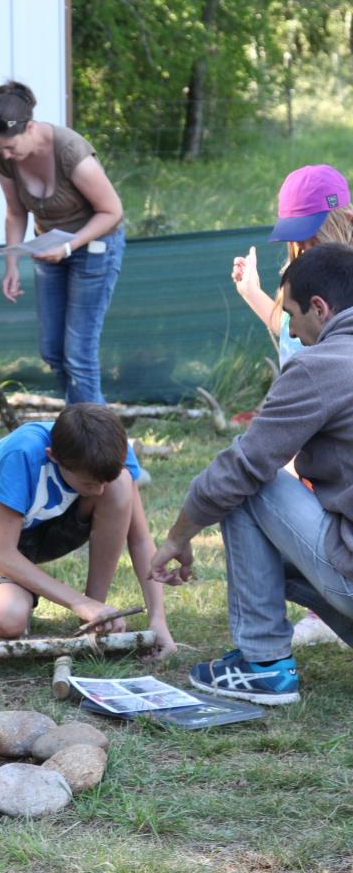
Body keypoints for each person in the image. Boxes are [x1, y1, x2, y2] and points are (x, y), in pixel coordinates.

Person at [151, 244, 353, 704]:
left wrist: (179, 536)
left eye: (294, 318)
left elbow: (242, 466)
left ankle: (264, 665)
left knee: (249, 484)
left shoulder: (322, 365)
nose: (295, 335)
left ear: (320, 308)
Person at [0, 402, 176, 656]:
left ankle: (94, 617)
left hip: (47, 528)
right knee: (9, 619)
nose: (99, 492)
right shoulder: (22, 455)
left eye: (102, 483)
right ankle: (86, 607)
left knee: (120, 484)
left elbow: (140, 539)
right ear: (53, 455)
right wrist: (79, 603)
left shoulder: (113, 449)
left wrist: (158, 621)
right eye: (89, 484)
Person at [232, 164, 352, 647]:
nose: (302, 246)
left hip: (322, 432)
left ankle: (263, 657)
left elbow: (320, 358)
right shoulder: (302, 278)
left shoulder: (342, 281)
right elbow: (297, 336)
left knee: (245, 483)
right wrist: (257, 297)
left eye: (310, 234)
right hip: (306, 434)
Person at [0, 81, 125, 404]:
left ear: (30, 127)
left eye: (10, 148)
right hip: (49, 247)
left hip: (95, 246)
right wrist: (11, 264)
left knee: (79, 354)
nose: (5, 155)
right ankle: (78, 424)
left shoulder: (71, 152)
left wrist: (70, 246)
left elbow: (112, 211)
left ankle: (96, 443)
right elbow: (16, 212)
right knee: (52, 351)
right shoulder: (1, 154)